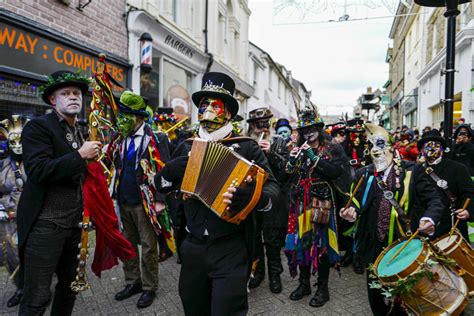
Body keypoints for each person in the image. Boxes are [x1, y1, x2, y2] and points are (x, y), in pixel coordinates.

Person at [155, 72, 279, 315]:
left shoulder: (246, 147)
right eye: (204, 105)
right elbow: (162, 185)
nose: (208, 110)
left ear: (229, 114)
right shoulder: (186, 145)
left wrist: (254, 197)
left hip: (230, 247)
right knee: (194, 309)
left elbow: (273, 190)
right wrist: (168, 172)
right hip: (192, 247)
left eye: (216, 105)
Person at [17, 70, 101, 315]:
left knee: (69, 289)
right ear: (53, 100)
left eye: (77, 93)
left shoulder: (78, 130)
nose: (74, 97)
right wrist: (80, 156)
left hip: (75, 226)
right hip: (45, 226)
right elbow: (38, 171)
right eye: (66, 93)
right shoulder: (38, 127)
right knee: (37, 296)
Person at [340, 124, 444, 315]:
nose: (375, 151)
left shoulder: (413, 171)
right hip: (373, 243)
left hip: (403, 243)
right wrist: (351, 211)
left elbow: (434, 200)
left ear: (391, 147)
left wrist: (429, 218)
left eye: (380, 145)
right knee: (375, 292)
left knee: (404, 294)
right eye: (371, 147)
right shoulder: (364, 173)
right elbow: (354, 200)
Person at [109, 91, 173, 308]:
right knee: (127, 244)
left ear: (138, 117)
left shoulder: (156, 138)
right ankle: (132, 282)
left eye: (125, 114)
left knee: (148, 247)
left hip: (145, 202)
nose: (120, 118)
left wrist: (161, 199)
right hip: (123, 200)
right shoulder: (119, 138)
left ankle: (149, 287)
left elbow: (165, 169)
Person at [285, 110, 349, 308]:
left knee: (320, 247)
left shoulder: (332, 148)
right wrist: (292, 161)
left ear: (319, 129)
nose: (308, 133)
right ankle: (304, 284)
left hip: (322, 204)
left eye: (312, 129)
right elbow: (287, 174)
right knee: (300, 244)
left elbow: (337, 172)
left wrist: (315, 158)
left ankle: (323, 289)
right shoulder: (298, 147)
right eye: (304, 130)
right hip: (300, 205)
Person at [246, 111, 290, 294]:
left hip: (273, 197)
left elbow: (287, 169)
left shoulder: (279, 142)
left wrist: (270, 153)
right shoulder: (246, 142)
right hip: (251, 197)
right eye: (259, 124)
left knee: (272, 239)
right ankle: (258, 272)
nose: (263, 128)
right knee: (254, 237)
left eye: (266, 124)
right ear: (251, 127)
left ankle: (275, 275)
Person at [416, 129, 474, 240]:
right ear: (421, 150)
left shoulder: (458, 168)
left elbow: (469, 193)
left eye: (436, 145)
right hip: (422, 227)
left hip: (451, 226)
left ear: (442, 149)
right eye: (428, 146)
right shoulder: (416, 170)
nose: (432, 148)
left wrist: (468, 211)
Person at [0, 115, 28, 307]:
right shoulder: (2, 165)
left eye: (21, 141)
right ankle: (20, 288)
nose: (17, 145)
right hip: (10, 218)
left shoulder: (36, 161)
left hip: (33, 216)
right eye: (13, 141)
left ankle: (38, 289)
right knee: (12, 254)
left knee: (35, 253)